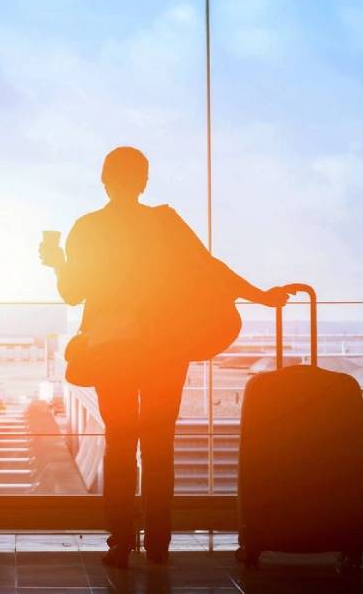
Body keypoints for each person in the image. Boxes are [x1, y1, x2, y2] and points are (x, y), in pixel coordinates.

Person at [38, 146, 288, 568]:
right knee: (158, 447)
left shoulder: (89, 228)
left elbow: (72, 293)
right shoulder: (165, 224)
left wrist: (57, 261)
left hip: (112, 350)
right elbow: (211, 268)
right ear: (144, 181)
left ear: (104, 179)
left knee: (119, 446)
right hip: (163, 351)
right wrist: (261, 296)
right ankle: (158, 543)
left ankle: (119, 544)